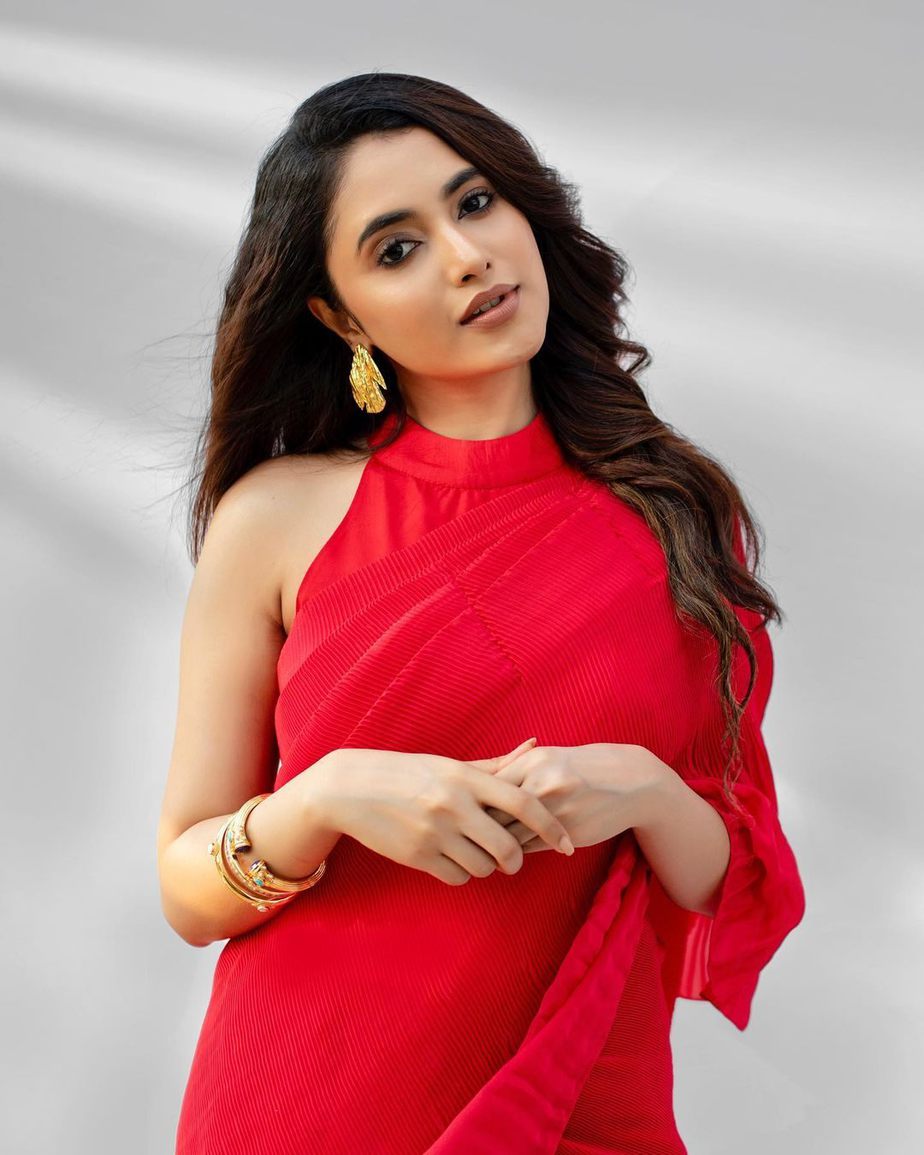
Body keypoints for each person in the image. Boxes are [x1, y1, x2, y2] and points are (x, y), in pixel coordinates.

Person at [157, 72, 806, 1154]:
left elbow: (734, 881)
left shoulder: (676, 513)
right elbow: (188, 886)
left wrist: (643, 788)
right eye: (396, 249)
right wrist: (324, 798)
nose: (467, 255)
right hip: (304, 1101)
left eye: (474, 202)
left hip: (583, 1097)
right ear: (339, 316)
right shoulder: (276, 518)